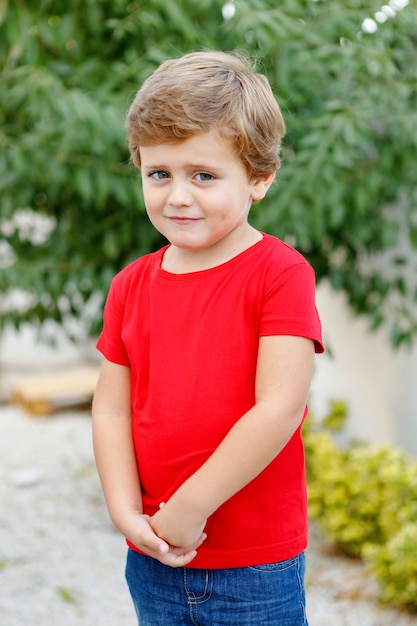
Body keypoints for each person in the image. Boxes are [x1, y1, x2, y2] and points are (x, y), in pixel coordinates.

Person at [92, 50, 324, 626]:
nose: (177, 196)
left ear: (259, 179)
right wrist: (127, 515)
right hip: (151, 555)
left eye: (203, 175)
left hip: (254, 566)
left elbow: (280, 407)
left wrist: (188, 510)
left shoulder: (280, 273)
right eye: (159, 173)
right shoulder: (131, 284)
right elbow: (112, 411)